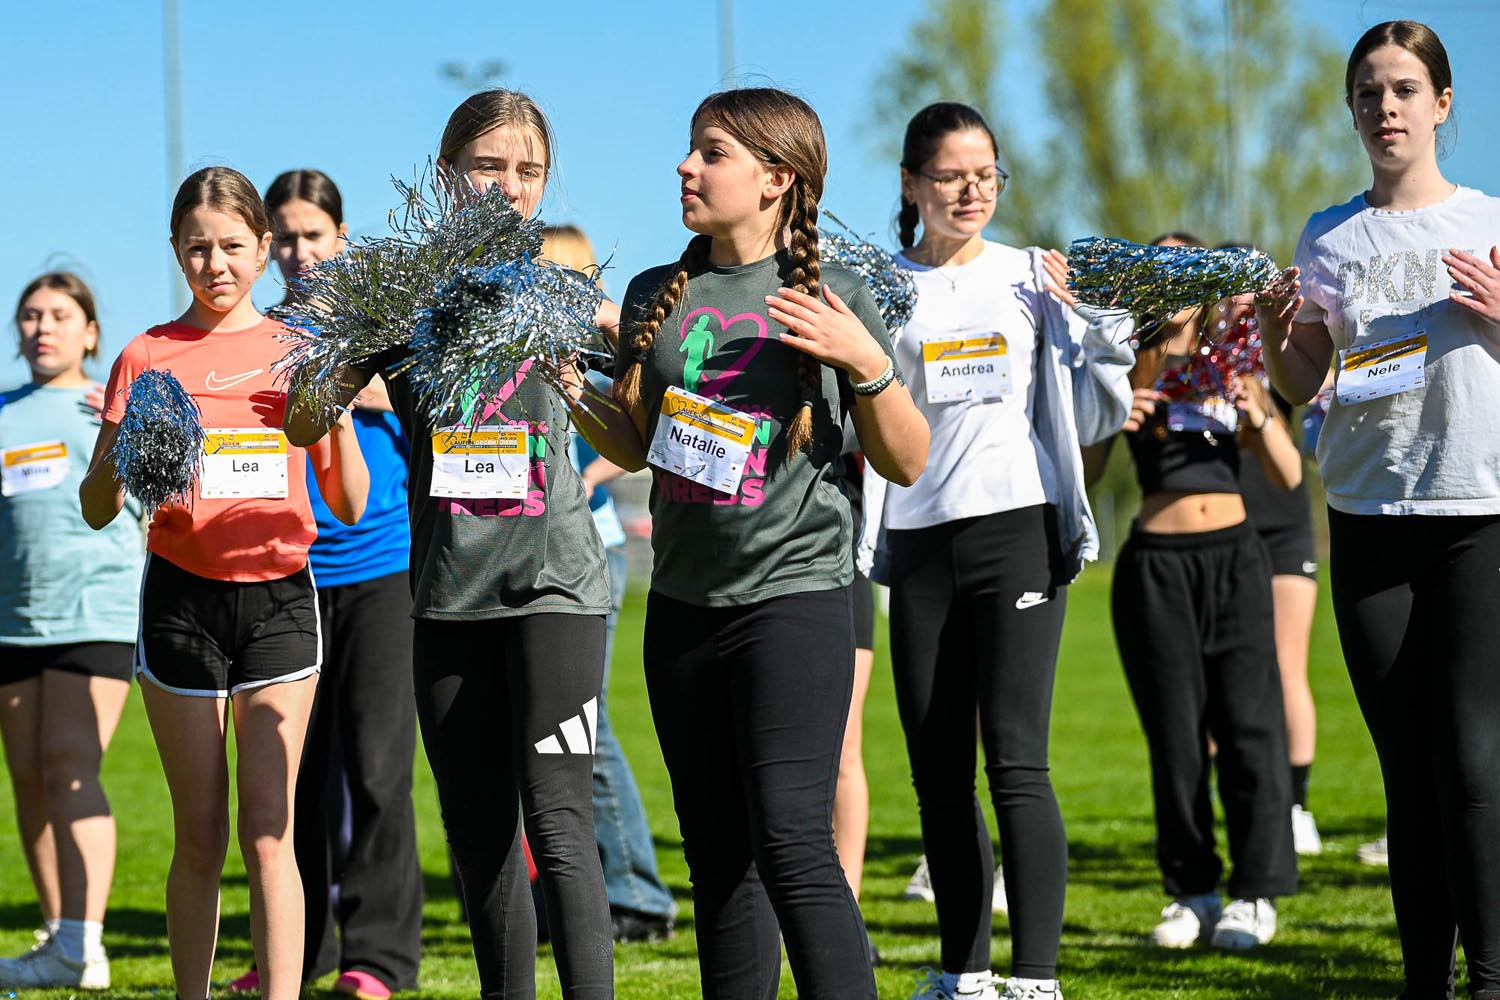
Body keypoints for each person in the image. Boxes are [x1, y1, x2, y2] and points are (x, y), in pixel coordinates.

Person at [569, 86, 929, 1000]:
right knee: (718, 858)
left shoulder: (834, 295)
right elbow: (638, 445)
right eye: (691, 148)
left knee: (792, 843)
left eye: (711, 153)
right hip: (681, 610)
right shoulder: (656, 294)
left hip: (794, 602)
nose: (685, 166)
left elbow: (908, 460)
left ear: (777, 178)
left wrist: (866, 362)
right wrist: (573, 391)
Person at [286, 90, 616, 1000]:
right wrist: (340, 345)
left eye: (528, 171)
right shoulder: (402, 300)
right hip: (444, 597)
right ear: (445, 175)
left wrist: (608, 343)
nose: (509, 187)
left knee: (559, 827)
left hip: (556, 589)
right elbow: (304, 419)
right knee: (479, 840)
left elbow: (636, 403)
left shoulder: (564, 291)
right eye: (487, 166)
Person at [77, 166, 368, 1000]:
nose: (216, 265)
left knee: (270, 832)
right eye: (198, 248)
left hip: (280, 600)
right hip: (181, 603)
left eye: (233, 247)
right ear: (176, 251)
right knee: (200, 834)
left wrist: (334, 412)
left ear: (264, 249)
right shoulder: (146, 354)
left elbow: (349, 503)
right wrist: (128, 446)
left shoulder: (300, 349)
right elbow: (98, 508)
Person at [1256, 20, 1500, 998]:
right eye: (1368, 93)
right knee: (1408, 771)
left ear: (1442, 103)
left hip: (1478, 515)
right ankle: (1423, 983)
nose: (1385, 108)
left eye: (1403, 90)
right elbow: (1300, 380)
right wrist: (1274, 331)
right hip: (1368, 519)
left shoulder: (1488, 220)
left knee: (1472, 764)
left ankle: (1489, 979)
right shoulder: (1329, 235)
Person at [872, 101, 1133, 1000]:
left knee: (1017, 760)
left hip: (1017, 529)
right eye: (950, 175)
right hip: (916, 541)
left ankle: (1036, 978)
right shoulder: (883, 287)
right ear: (911, 184)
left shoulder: (1030, 274)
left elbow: (1104, 394)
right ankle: (965, 971)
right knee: (938, 774)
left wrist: (1095, 316)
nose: (971, 190)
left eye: (986, 174)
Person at [226, 169, 422, 1000]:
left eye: (315, 235)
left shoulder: (387, 328)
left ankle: (377, 958)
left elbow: (446, 420)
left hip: (382, 572)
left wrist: (372, 389)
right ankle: (291, 953)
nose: (301, 251)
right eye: (287, 238)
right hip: (290, 577)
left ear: (341, 238)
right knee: (292, 775)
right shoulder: (260, 335)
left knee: (377, 770)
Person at [1106, 235, 1301, 954]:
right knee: (1175, 735)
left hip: (1235, 558)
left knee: (1251, 725)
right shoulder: (1126, 362)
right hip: (1155, 565)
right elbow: (1088, 468)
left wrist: (1256, 411)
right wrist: (1113, 415)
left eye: (1187, 269)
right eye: (1160, 269)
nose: (1175, 282)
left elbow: (1288, 473)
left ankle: (1256, 892)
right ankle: (1192, 891)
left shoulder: (1238, 362)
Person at [0, 274, 144, 990]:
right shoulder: (2, 412)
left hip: (98, 613)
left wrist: (125, 426)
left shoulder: (108, 410)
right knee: (28, 777)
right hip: (13, 621)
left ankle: (85, 944)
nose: (42, 327)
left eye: (60, 315)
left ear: (90, 333)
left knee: (68, 763)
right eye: (30, 315)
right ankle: (59, 941)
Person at [543, 223, 676, 944]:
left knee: (582, 728)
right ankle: (571, 888)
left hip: (592, 547)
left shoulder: (600, 355)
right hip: (540, 549)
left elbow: (638, 439)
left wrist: (583, 470)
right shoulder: (529, 347)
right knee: (552, 730)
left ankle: (638, 893)